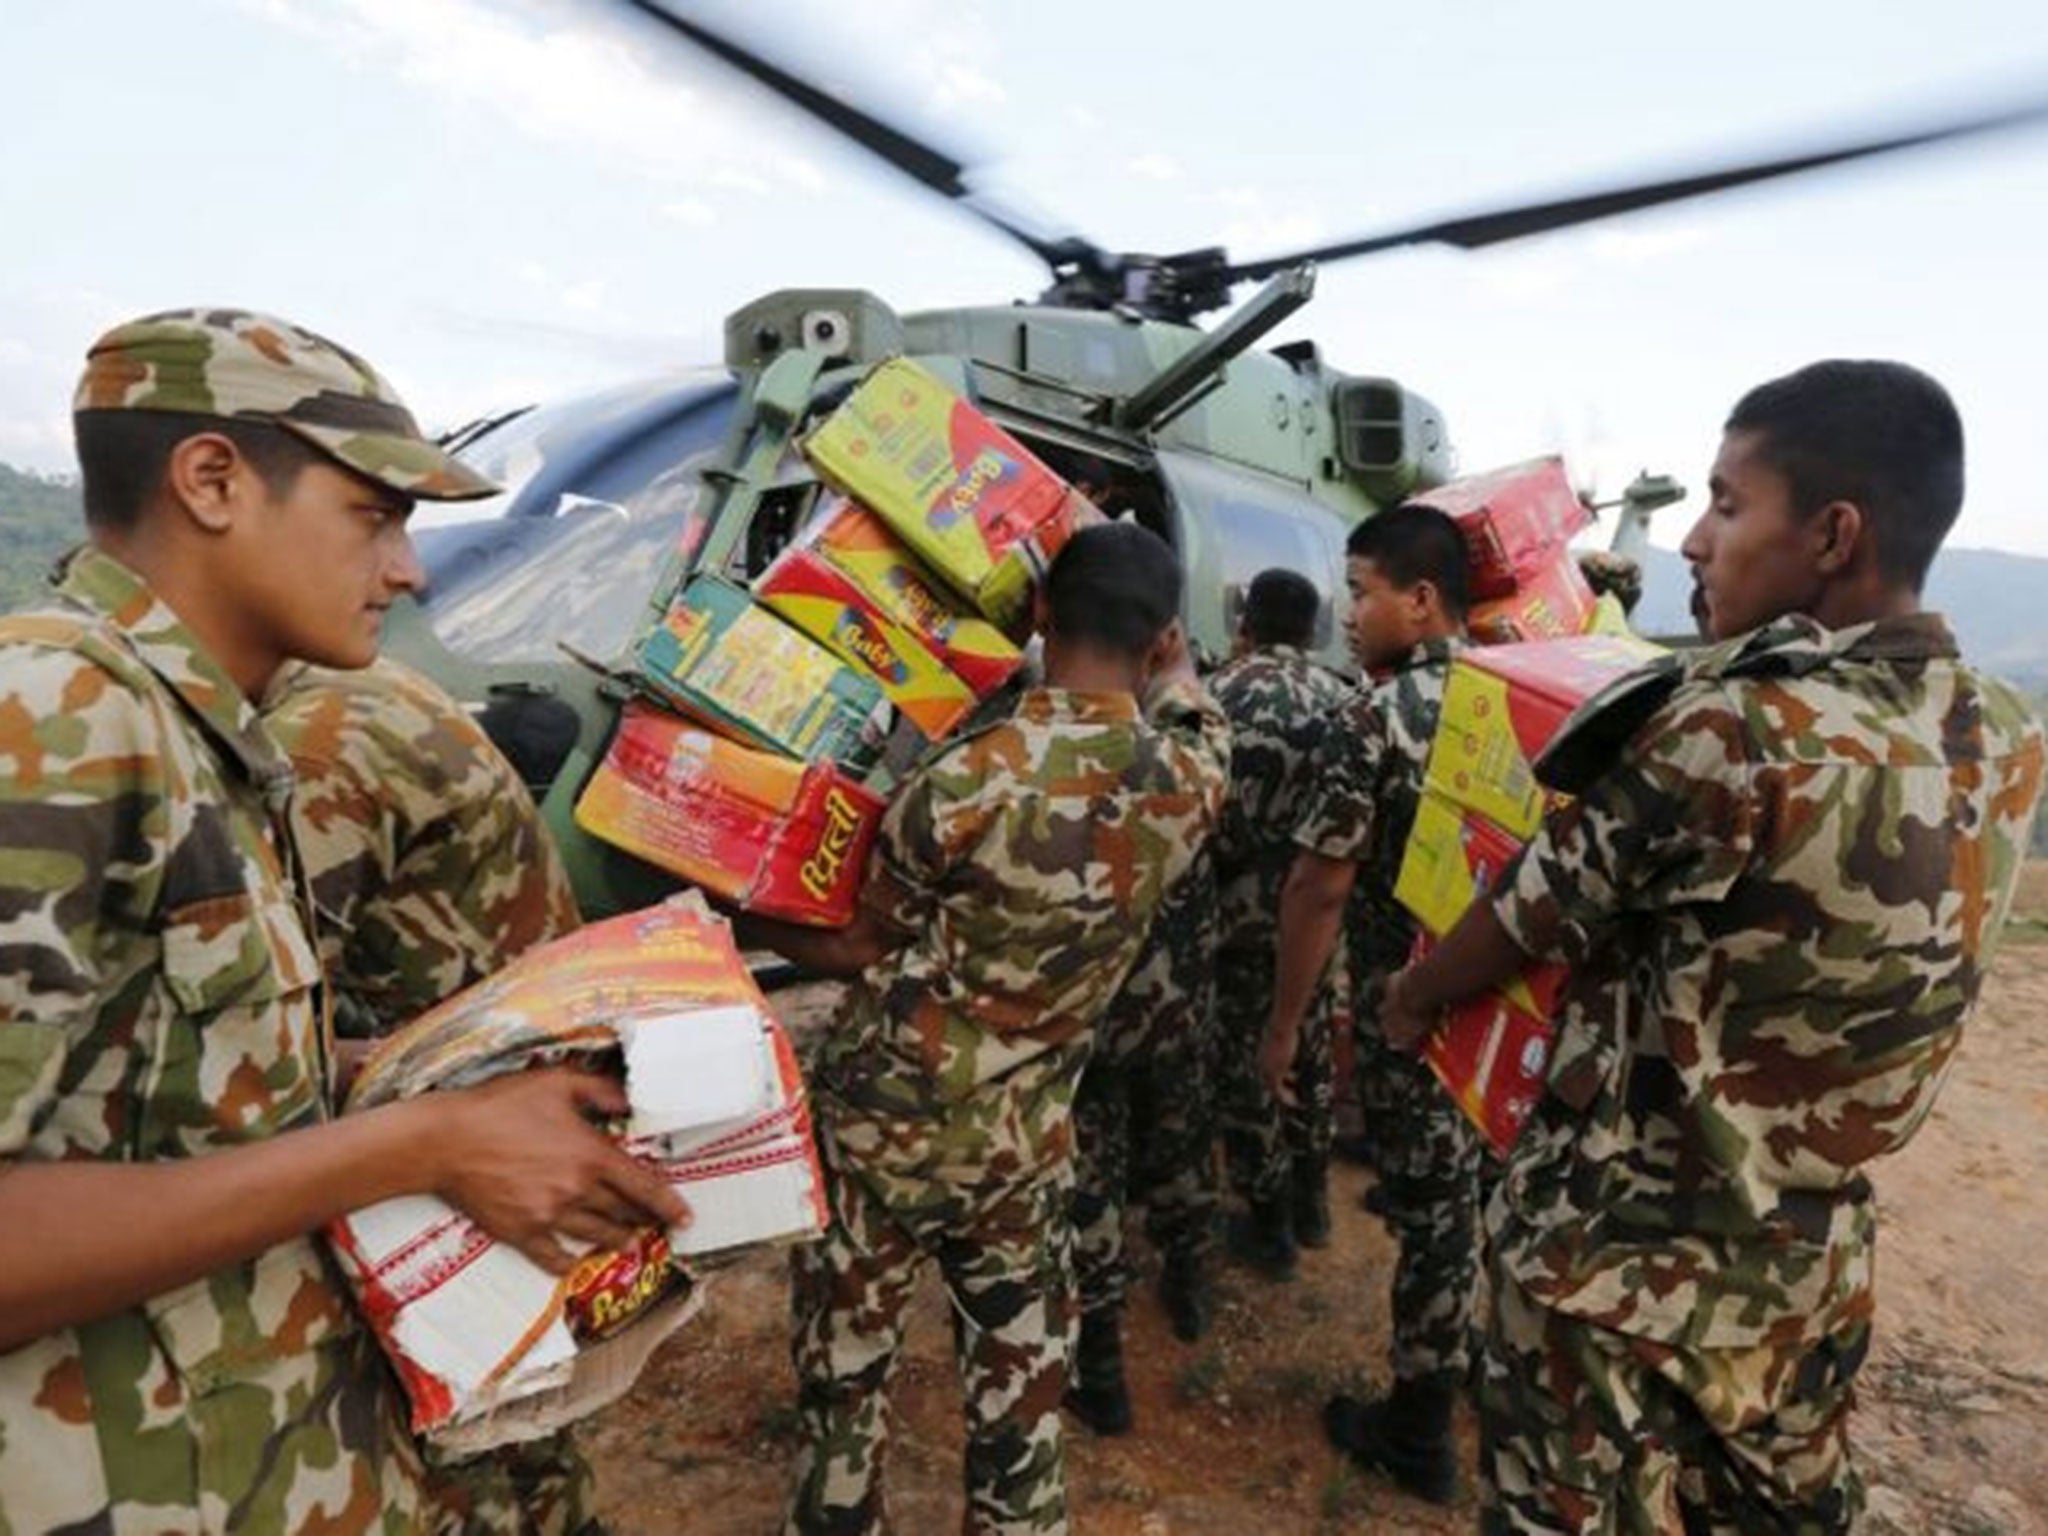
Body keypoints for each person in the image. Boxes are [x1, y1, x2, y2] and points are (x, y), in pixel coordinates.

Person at [0, 309, 686, 1535]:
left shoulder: (201, 737)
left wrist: (397, 1078)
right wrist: (420, 1142)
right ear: (212, 481)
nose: (409, 569)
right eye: (373, 516)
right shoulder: (57, 714)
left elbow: (147, 1097)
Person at [1381, 360, 2046, 1533]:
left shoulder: (1732, 729)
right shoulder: (1998, 728)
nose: (1693, 540)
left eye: (1727, 505)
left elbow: (1534, 907)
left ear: (1832, 535)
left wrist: (1410, 996)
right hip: (1803, 1266)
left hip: (1611, 1266)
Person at [740, 521, 1229, 1535]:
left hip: (883, 1133)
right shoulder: (1187, 783)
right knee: (1019, 1404)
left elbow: (857, 945)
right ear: (1162, 638)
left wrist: (737, 910)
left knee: (844, 1390)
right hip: (1024, 1148)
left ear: (1040, 617)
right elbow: (1193, 713)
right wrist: (1173, 677)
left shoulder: (963, 780)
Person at [267, 654, 596, 1533]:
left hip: (459, 1147)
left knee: (465, 1457)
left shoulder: (323, 740)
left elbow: (259, 1036)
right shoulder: (358, 694)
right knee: (520, 1430)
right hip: (483, 1113)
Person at [1254, 507, 1481, 1505]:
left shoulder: (1377, 716)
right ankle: (1484, 1377)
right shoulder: (1527, 698)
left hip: (1413, 1012)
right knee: (1487, 1201)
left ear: (1418, 601)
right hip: (1515, 1018)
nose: (1349, 614)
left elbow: (1320, 886)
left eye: (1361, 591)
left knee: (1433, 1216)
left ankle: (1419, 1429)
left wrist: (1280, 1026)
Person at [1208, 568, 1350, 1277]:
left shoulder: (1216, 698)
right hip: (1318, 927)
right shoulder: (1348, 701)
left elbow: (1207, 826)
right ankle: (1313, 1203)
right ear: (1312, 629)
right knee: (1312, 1051)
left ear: (1247, 622)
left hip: (1236, 926)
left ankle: (1268, 1227)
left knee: (1248, 1067)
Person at [1064, 814, 1223, 1436]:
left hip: (1092, 1012)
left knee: (1091, 1181)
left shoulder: (1049, 757)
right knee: (1182, 1144)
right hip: (1177, 998)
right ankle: (1189, 1287)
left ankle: (1101, 1371)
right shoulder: (1194, 753)